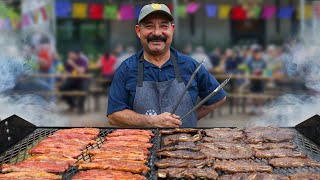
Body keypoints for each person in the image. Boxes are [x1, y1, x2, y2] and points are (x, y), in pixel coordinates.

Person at [107, 3, 226, 128]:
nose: (157, 33)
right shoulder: (126, 69)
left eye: (164, 26)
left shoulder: (190, 66)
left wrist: (190, 116)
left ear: (172, 29)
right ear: (138, 31)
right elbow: (114, 116)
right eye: (149, 26)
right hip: (141, 145)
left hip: (185, 145)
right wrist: (152, 121)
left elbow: (218, 97)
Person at [60, 49, 89, 114]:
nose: (69, 55)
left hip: (82, 80)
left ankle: (81, 108)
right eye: (69, 54)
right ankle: (73, 105)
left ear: (76, 54)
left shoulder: (82, 61)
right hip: (72, 80)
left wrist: (72, 64)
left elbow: (82, 71)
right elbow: (65, 71)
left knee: (83, 90)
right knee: (62, 88)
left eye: (70, 53)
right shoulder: (67, 62)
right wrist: (64, 74)